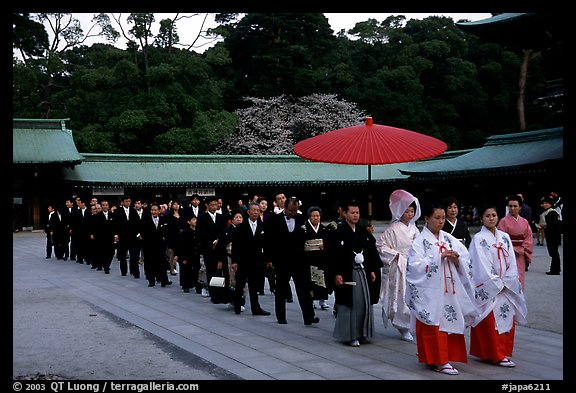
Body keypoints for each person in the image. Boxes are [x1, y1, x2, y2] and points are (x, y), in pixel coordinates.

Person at [405, 203, 478, 375]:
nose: (440, 221)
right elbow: (415, 266)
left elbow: (465, 259)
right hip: (430, 291)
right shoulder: (420, 242)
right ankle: (438, 360)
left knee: (449, 320)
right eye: (437, 218)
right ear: (427, 219)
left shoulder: (448, 238)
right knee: (434, 322)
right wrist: (439, 257)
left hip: (449, 288)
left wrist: (456, 259)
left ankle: (446, 357)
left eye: (443, 218)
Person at [468, 205, 528, 368]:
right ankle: (492, 354)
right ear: (481, 219)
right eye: (487, 216)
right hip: (490, 287)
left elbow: (512, 263)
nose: (491, 218)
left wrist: (508, 281)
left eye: (494, 215)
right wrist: (495, 283)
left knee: (506, 317)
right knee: (489, 320)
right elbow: (480, 264)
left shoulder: (504, 237)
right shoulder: (479, 238)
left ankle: (502, 352)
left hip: (506, 286)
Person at [332, 200, 381, 347]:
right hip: (348, 272)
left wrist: (372, 269)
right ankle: (350, 335)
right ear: (345, 213)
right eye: (352, 213)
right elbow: (333, 255)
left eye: (357, 213)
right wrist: (337, 273)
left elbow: (371, 251)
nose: (355, 216)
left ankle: (363, 333)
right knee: (351, 303)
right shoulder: (338, 232)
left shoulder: (362, 231)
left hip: (362, 271)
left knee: (364, 302)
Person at [265, 197, 318, 325]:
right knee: (281, 288)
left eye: (295, 211)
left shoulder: (301, 219)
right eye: (290, 211)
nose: (292, 213)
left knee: (303, 289)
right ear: (284, 208)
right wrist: (269, 258)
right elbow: (268, 240)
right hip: (281, 259)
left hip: (299, 259)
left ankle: (309, 316)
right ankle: (281, 316)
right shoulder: (274, 220)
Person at [376, 190, 421, 342]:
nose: (410, 214)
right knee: (400, 296)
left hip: (413, 265)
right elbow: (381, 245)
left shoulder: (415, 229)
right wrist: (395, 255)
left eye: (412, 211)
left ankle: (412, 324)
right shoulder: (393, 229)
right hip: (399, 265)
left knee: (414, 296)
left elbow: (420, 246)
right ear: (400, 212)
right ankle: (403, 327)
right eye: (407, 211)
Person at [230, 203, 270, 316]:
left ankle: (255, 308)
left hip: (257, 260)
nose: (256, 212)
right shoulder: (241, 226)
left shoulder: (262, 226)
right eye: (254, 210)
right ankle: (237, 305)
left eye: (258, 210)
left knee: (254, 285)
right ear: (248, 212)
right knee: (240, 284)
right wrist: (234, 261)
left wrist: (267, 259)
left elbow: (266, 244)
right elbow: (236, 245)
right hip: (243, 259)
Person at [497, 195, 533, 287]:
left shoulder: (524, 221)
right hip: (507, 254)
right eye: (510, 206)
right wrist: (512, 249)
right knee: (508, 277)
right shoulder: (503, 222)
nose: (512, 208)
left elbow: (528, 237)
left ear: (520, 207)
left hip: (520, 253)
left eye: (515, 206)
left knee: (520, 277)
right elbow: (500, 239)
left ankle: (519, 299)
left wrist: (523, 248)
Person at [303, 206, 331, 311]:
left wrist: (325, 246)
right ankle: (311, 300)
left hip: (321, 257)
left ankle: (322, 300)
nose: (316, 218)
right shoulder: (304, 229)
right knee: (310, 280)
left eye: (318, 216)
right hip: (308, 257)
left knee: (322, 279)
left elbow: (328, 242)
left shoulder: (324, 229)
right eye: (314, 216)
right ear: (309, 217)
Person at [540, 197, 562, 275]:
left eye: (547, 203)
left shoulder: (552, 213)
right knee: (553, 253)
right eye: (544, 203)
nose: (545, 205)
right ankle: (555, 269)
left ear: (550, 204)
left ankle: (555, 270)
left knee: (554, 252)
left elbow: (553, 225)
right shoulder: (546, 212)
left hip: (553, 235)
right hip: (550, 235)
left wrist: (545, 226)